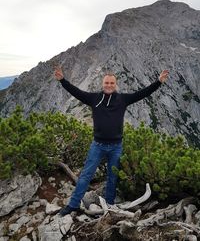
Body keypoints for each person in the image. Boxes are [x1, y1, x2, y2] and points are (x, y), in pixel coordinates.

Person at [54, 67, 169, 216]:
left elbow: (143, 93)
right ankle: (73, 205)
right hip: (98, 145)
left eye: (111, 83)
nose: (109, 85)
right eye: (106, 82)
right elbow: (76, 92)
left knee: (112, 177)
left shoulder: (123, 99)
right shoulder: (94, 98)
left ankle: (109, 205)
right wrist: (63, 80)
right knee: (85, 175)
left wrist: (158, 82)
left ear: (115, 84)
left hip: (116, 146)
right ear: (103, 84)